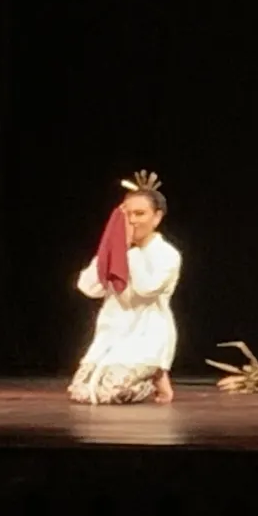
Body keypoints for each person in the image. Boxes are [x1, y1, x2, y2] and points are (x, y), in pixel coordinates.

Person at [69, 170, 181, 405]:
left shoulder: (167, 254)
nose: (132, 220)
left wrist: (129, 252)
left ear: (157, 217)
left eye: (140, 214)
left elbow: (145, 289)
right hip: (113, 335)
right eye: (127, 214)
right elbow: (89, 287)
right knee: (81, 392)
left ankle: (154, 376)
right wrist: (109, 248)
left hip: (147, 335)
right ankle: (156, 375)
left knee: (109, 394)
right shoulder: (117, 249)